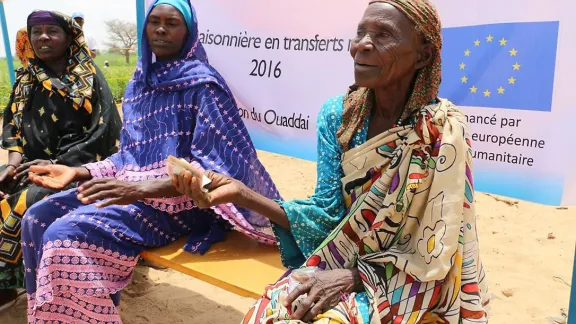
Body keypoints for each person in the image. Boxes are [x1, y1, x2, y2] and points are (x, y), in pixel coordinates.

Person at [173, 0, 490, 322]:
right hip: (344, 259)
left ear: (422, 54)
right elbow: (328, 213)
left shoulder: (441, 130)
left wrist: (354, 278)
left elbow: (438, 245)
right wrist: (242, 194)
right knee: (269, 313)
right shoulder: (338, 117)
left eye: (383, 35)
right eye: (361, 33)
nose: (362, 45)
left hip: (417, 276)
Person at [21, 1, 279, 322]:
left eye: (172, 23)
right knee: (37, 216)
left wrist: (140, 189)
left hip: (180, 207)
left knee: (65, 233)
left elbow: (215, 174)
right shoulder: (139, 82)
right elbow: (128, 158)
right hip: (132, 196)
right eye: (154, 21)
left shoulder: (204, 86)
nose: (160, 29)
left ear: (189, 33)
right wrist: (77, 172)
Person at [0, 11, 122, 309]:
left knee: (26, 202)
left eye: (51, 31)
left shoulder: (88, 77)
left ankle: (36, 283)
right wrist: (13, 164)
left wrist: (60, 166)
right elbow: (13, 127)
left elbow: (104, 134)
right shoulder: (26, 79)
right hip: (30, 164)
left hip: (78, 169)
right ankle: (8, 284)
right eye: (36, 31)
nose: (43, 37)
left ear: (68, 37)